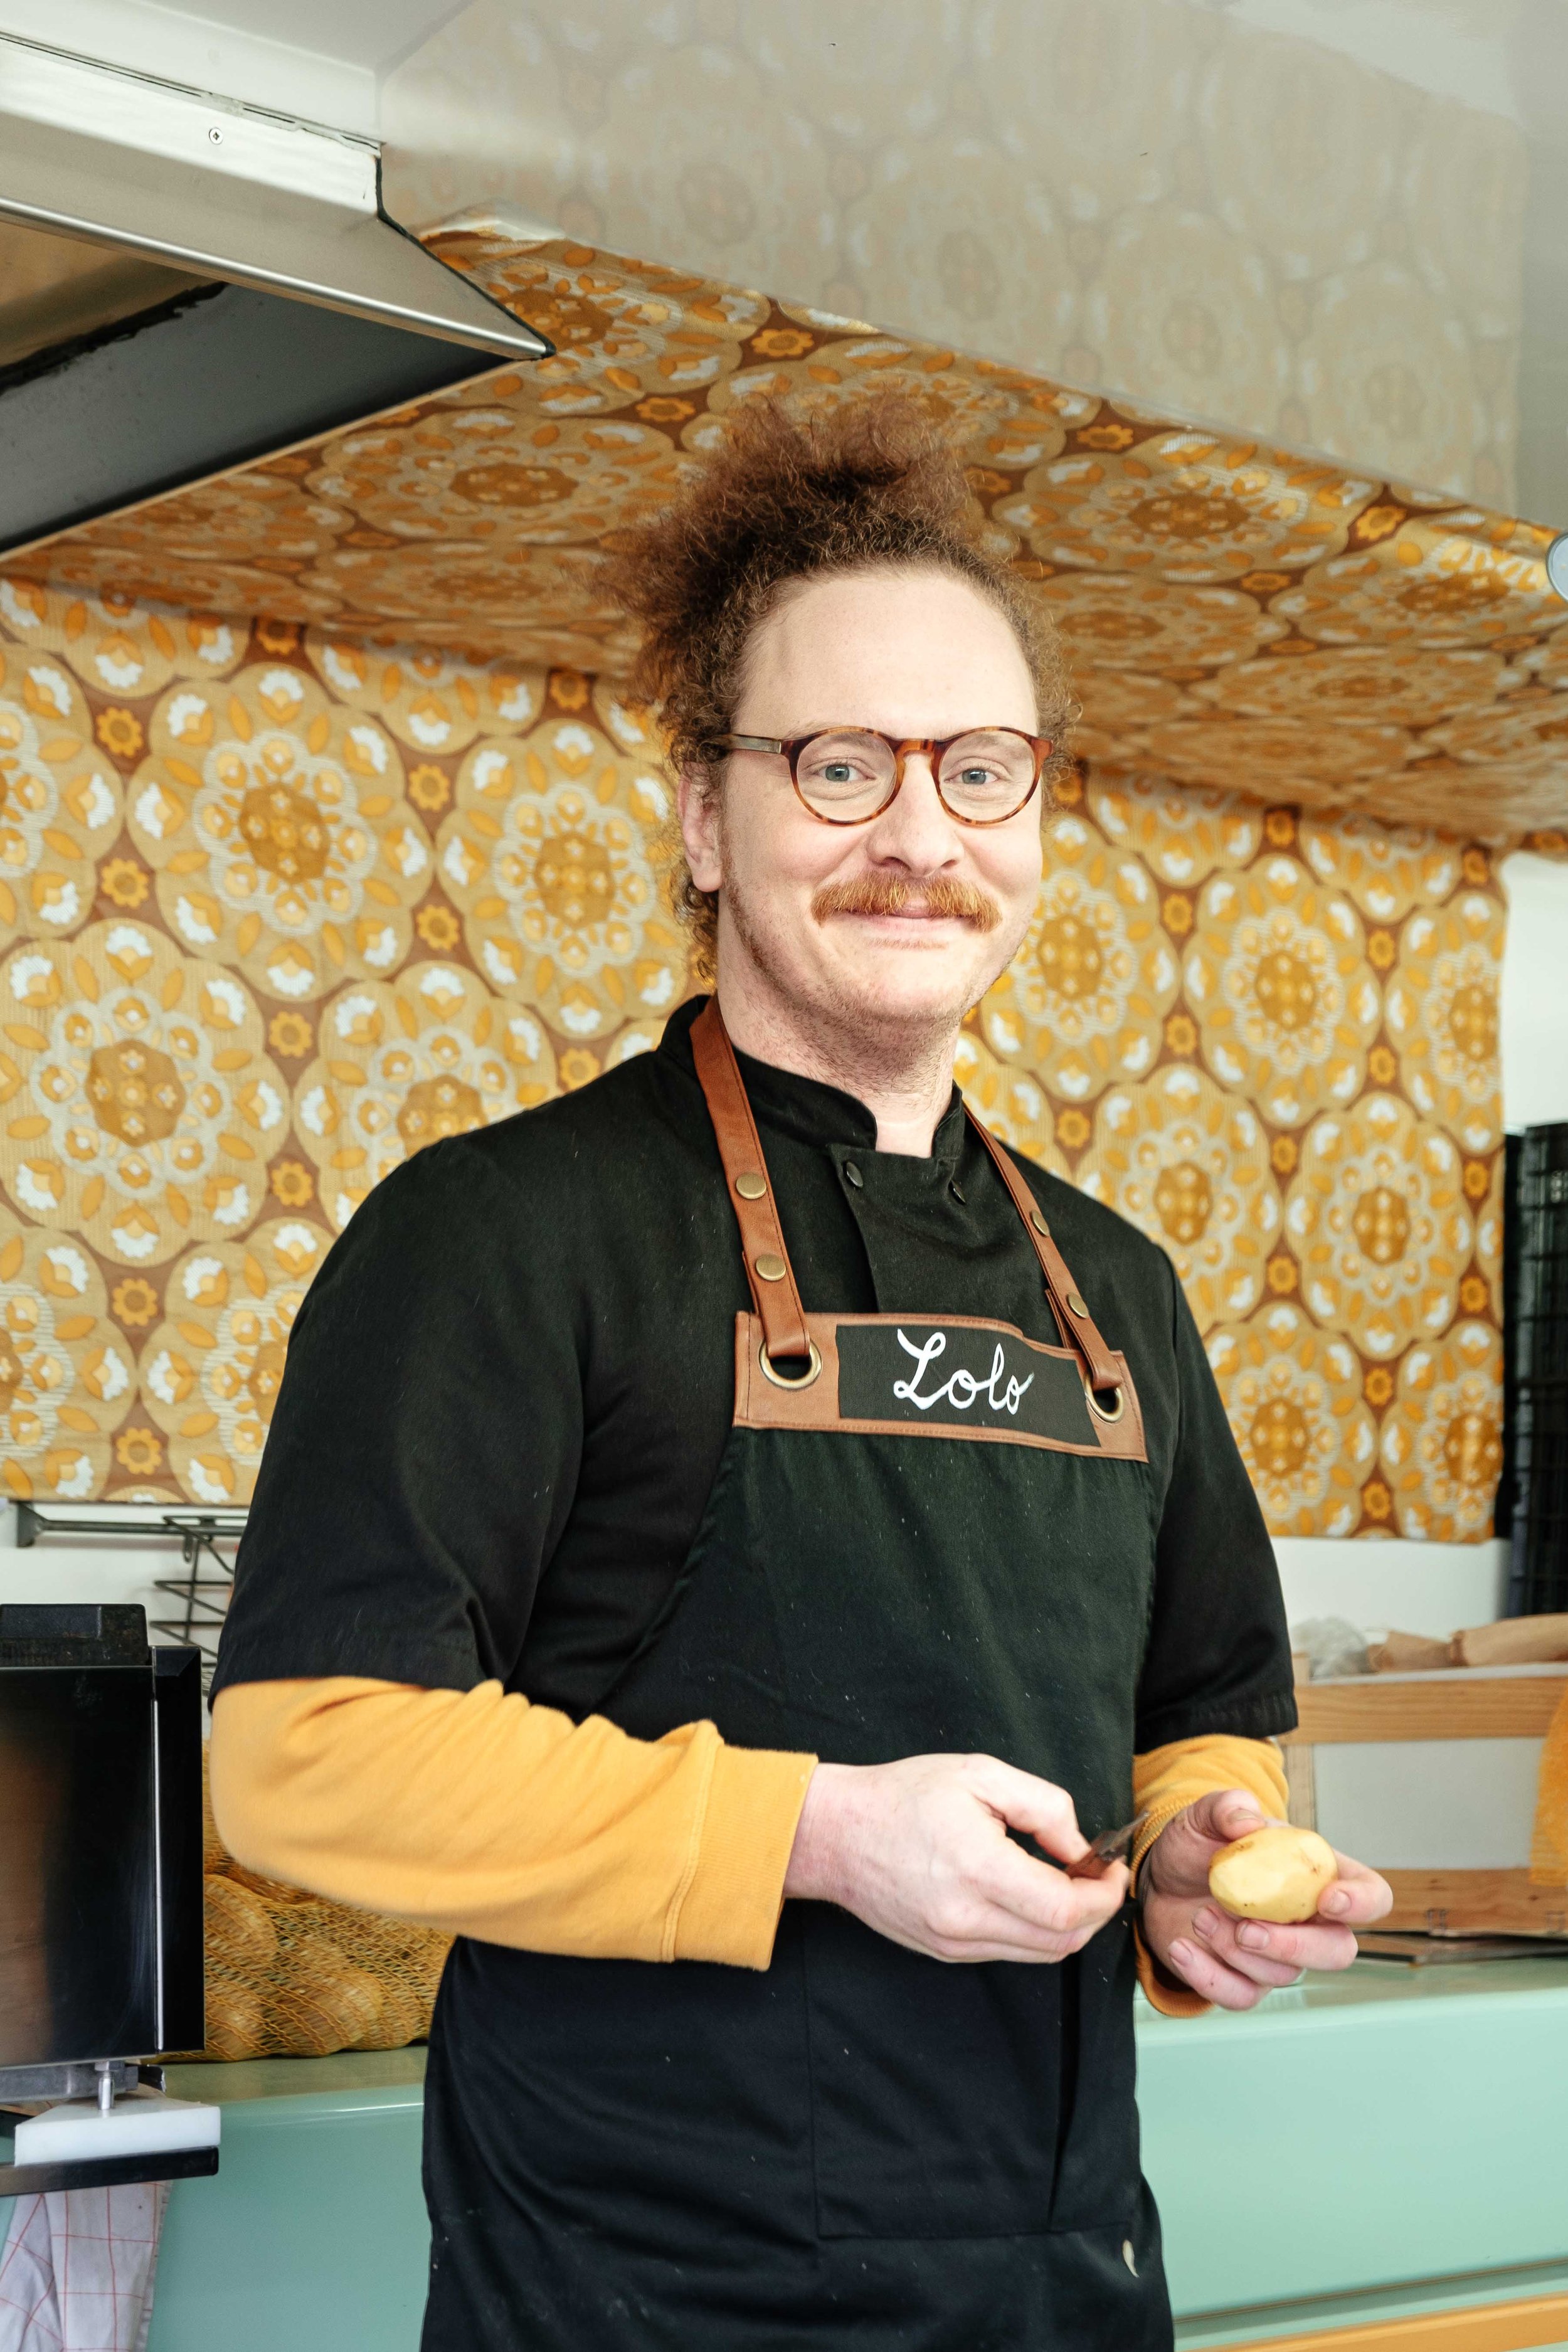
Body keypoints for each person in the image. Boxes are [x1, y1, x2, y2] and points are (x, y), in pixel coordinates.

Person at [208, 399, 1391, 2351]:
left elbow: (1196, 1712)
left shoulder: (1113, 1289)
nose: (919, 837)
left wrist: (1194, 1860)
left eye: (982, 773)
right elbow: (302, 1757)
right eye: (840, 765)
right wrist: (821, 1836)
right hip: (648, 2297)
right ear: (702, 811)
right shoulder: (506, 1231)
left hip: (1059, 2280)